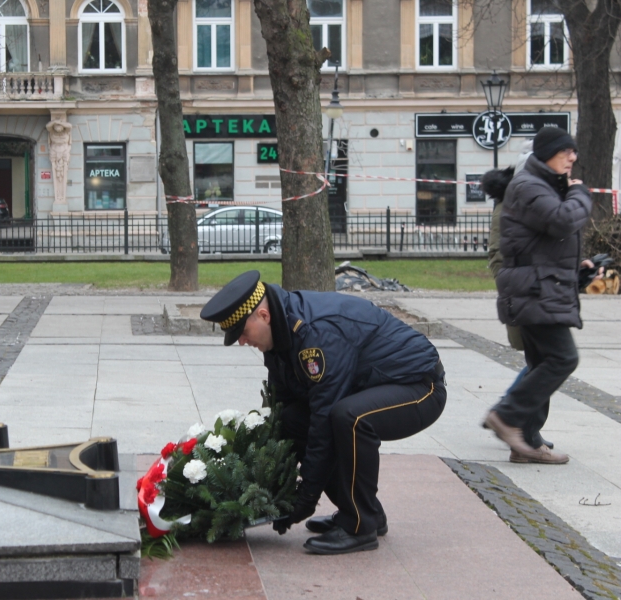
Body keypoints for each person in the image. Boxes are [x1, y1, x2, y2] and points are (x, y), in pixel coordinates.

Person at [200, 271, 447, 555]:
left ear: (264, 316)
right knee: (293, 420)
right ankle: (366, 512)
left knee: (349, 417)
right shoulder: (278, 336)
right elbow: (285, 410)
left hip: (419, 385)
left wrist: (306, 497)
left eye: (242, 332)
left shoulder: (316, 334)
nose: (242, 342)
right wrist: (273, 490)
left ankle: (360, 526)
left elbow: (324, 416)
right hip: (375, 384)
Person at [486, 126, 593, 464]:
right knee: (563, 359)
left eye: (573, 152)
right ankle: (506, 416)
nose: (572, 157)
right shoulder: (529, 185)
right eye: (565, 151)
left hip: (541, 287)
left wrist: (576, 267)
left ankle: (527, 444)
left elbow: (542, 241)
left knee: (540, 363)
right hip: (534, 292)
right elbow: (562, 221)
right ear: (546, 154)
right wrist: (581, 193)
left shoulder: (541, 185)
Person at [480, 163, 554, 452]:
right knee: (546, 362)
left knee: (543, 361)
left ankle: (511, 418)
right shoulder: (512, 207)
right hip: (523, 293)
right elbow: (499, 255)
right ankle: (509, 417)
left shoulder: (520, 203)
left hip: (531, 290)